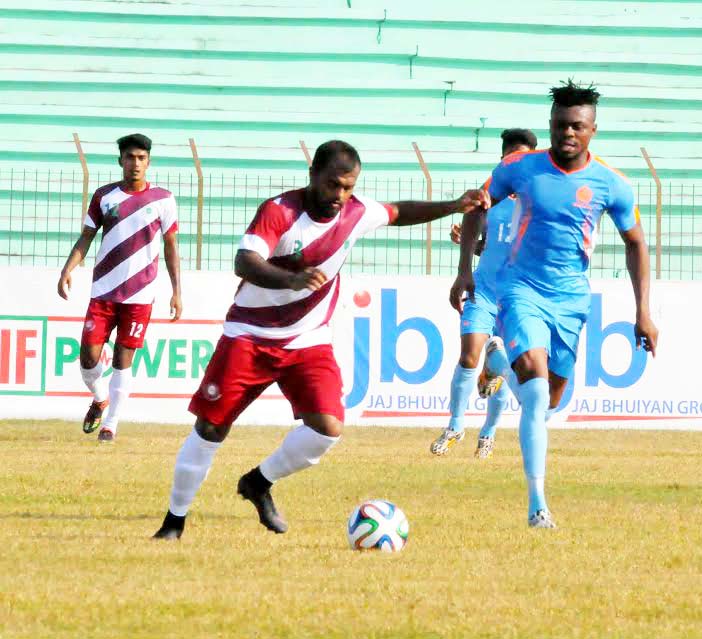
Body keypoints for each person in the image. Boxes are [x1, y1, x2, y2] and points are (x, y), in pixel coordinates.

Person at [152, 140, 490, 540]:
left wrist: (453, 205)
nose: (340, 196)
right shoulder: (279, 211)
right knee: (211, 429)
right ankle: (174, 522)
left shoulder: (355, 212)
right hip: (250, 335)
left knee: (327, 428)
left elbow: (399, 212)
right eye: (333, 185)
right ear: (313, 175)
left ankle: (259, 482)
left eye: (348, 187)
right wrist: (291, 278)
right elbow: (245, 260)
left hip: (308, 340)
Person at [452, 81, 659, 528]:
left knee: (548, 403)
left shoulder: (613, 184)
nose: (568, 133)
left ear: (593, 130)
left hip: (571, 300)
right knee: (537, 387)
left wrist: (642, 310)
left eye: (577, 127)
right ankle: (537, 504)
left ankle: (499, 369)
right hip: (520, 289)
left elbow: (636, 244)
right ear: (550, 125)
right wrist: (464, 269)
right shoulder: (519, 168)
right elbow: (476, 207)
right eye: (561, 125)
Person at [57, 133, 182, 442]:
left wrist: (177, 290)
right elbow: (86, 236)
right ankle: (101, 398)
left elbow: (171, 247)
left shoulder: (164, 199)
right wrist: (68, 269)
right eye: (130, 157)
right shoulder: (104, 196)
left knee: (123, 359)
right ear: (120, 161)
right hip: (103, 292)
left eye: (141, 158)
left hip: (140, 295)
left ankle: (111, 425)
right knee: (88, 356)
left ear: (148, 162)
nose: (135, 163)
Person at [430, 128, 537, 459]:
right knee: (469, 356)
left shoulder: (540, 204)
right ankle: (455, 424)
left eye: (520, 156)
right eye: (508, 156)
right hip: (484, 288)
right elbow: (489, 249)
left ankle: (488, 432)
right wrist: (467, 246)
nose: (513, 161)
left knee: (503, 364)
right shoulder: (491, 198)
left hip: (518, 296)